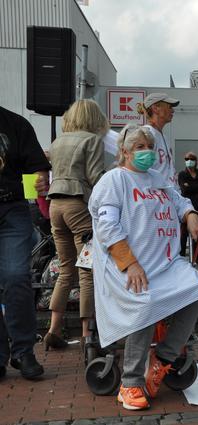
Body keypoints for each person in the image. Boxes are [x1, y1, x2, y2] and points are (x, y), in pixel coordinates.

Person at [88, 124, 198, 410]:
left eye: (150, 147)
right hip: (129, 266)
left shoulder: (159, 179)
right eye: (140, 147)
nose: (147, 153)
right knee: (145, 305)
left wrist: (190, 213)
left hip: (165, 264)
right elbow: (106, 226)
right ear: (124, 151)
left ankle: (163, 359)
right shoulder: (114, 180)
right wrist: (129, 263)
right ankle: (130, 383)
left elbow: (179, 201)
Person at [46, 99, 108, 350]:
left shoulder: (58, 141)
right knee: (87, 269)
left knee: (65, 269)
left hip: (55, 206)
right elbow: (96, 178)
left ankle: (53, 329)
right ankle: (86, 334)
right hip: (77, 205)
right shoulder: (92, 140)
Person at [0, 106, 49, 380]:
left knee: (16, 276)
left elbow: (38, 170)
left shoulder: (15, 124)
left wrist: (39, 181)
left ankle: (23, 352)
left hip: (12, 209)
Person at [136, 93, 180, 186]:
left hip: (168, 195)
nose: (172, 110)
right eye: (169, 106)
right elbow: (138, 171)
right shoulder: (145, 134)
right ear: (155, 108)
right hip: (155, 196)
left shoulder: (164, 137)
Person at [178, 152, 198, 266]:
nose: (189, 160)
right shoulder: (182, 174)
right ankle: (181, 257)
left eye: (191, 158)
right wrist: (197, 186)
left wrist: (190, 186)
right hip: (186, 208)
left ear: (196, 160)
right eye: (187, 158)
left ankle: (196, 258)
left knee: (197, 233)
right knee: (183, 234)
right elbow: (184, 190)